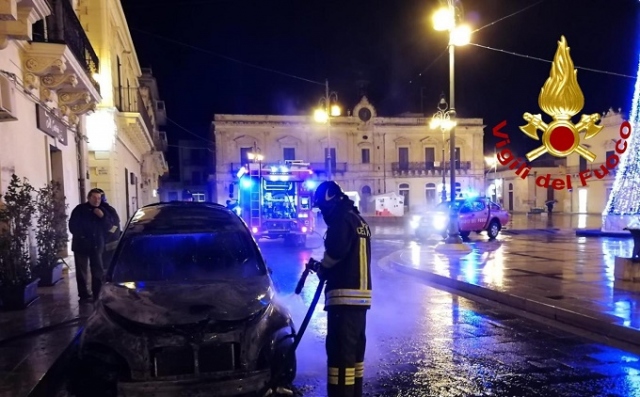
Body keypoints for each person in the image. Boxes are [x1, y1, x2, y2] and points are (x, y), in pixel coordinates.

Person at [307, 181, 372, 397]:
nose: (323, 212)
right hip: (360, 300)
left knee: (340, 357)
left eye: (323, 207)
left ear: (332, 199)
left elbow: (335, 252)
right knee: (354, 355)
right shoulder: (358, 221)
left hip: (343, 299)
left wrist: (322, 268)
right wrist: (323, 267)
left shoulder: (341, 222)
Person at [68, 188, 113, 302]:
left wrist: (102, 217)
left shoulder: (103, 210)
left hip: (97, 245)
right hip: (81, 245)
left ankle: (97, 294)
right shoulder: (80, 209)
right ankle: (83, 295)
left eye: (99, 198)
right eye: (94, 197)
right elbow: (73, 225)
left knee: (97, 271)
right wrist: (82, 236)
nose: (97, 200)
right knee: (82, 272)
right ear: (89, 198)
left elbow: (110, 226)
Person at [95, 189, 121, 268]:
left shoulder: (102, 210)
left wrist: (108, 235)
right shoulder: (109, 209)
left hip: (108, 242)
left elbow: (114, 224)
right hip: (111, 241)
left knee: (105, 265)